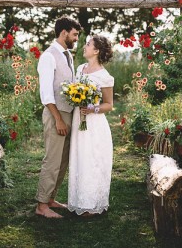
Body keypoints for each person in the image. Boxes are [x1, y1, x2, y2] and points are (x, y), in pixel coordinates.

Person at [35, 16, 81, 219]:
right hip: (56, 114)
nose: (76, 38)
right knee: (52, 160)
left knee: (63, 161)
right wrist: (58, 119)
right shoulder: (48, 56)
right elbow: (46, 94)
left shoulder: (67, 55)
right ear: (64, 33)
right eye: (74, 34)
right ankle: (42, 205)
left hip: (68, 113)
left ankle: (51, 198)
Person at [68, 35, 114, 216]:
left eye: (88, 44)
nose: (84, 47)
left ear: (96, 51)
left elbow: (109, 105)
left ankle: (92, 203)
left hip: (94, 124)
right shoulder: (80, 69)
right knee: (79, 158)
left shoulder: (105, 76)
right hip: (78, 121)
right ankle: (78, 200)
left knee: (92, 160)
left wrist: (92, 107)